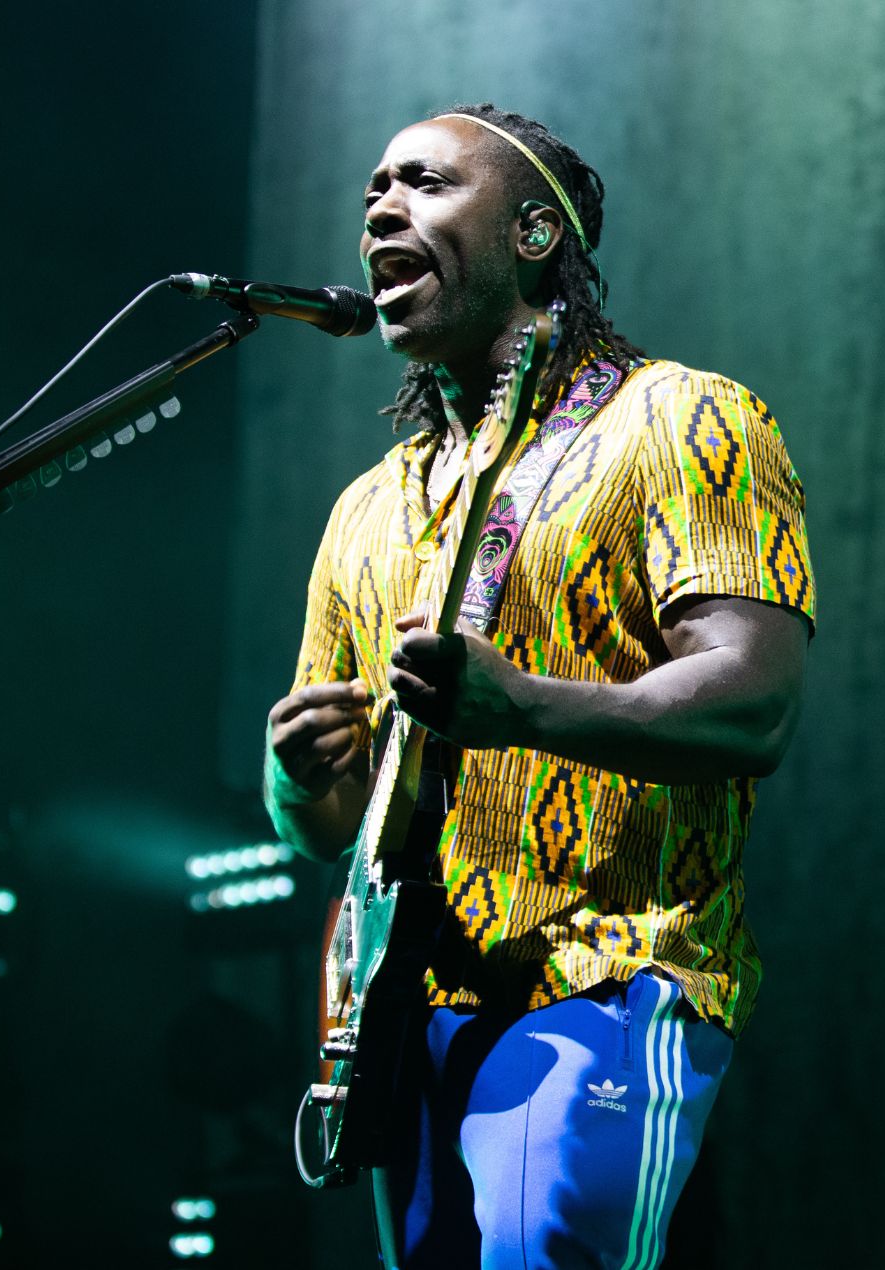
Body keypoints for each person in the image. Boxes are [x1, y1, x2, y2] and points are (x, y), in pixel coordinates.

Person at [262, 102, 815, 1269]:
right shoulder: (366, 511)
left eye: (422, 182)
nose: (379, 206)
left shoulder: (681, 418)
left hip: (612, 974)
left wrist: (522, 706)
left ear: (528, 234)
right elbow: (328, 830)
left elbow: (752, 700)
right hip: (405, 1004)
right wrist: (295, 776)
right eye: (370, 188)